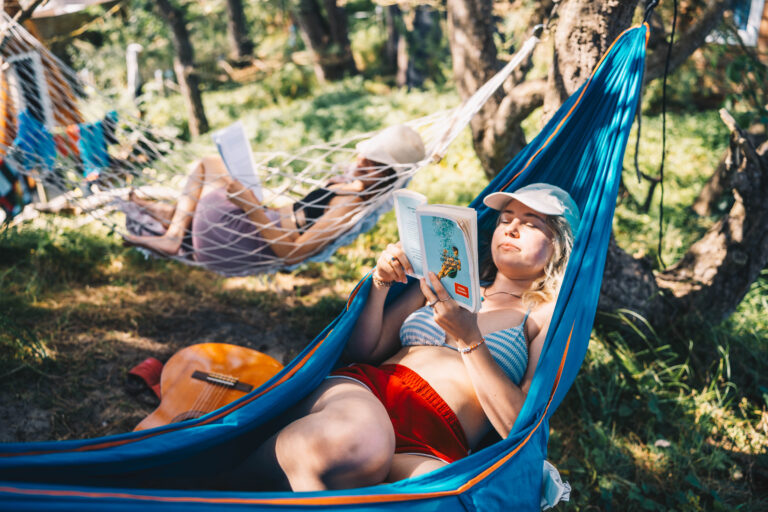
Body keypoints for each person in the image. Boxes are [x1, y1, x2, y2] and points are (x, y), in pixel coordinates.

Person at [229, 182, 580, 491]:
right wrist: (380, 283)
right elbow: (366, 350)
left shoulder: (545, 316)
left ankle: (244, 485)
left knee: (447, 499)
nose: (512, 228)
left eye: (531, 224)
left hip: (435, 439)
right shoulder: (450, 277)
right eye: (506, 220)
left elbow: (520, 428)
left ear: (559, 247)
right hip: (374, 392)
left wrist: (469, 339)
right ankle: (222, 483)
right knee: (358, 442)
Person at [124, 124, 426, 268]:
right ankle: (168, 220)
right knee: (213, 167)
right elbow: (294, 213)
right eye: (365, 156)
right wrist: (259, 196)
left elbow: (292, 253)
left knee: (207, 166)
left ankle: (173, 232)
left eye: (375, 165)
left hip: (244, 244)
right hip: (248, 228)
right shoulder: (348, 185)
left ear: (388, 179)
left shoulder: (350, 208)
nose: (361, 163)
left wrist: (251, 205)